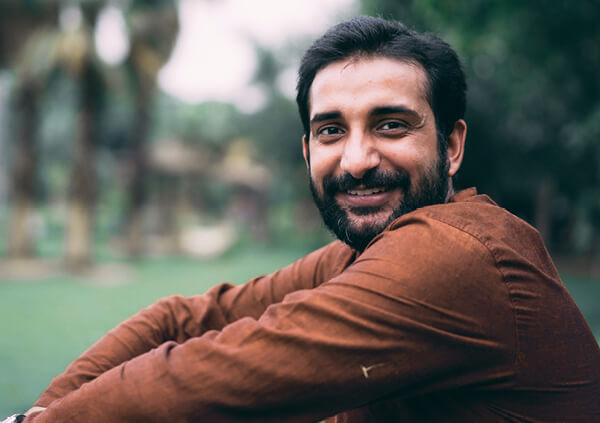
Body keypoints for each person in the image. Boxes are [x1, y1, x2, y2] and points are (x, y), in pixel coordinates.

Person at [8, 15, 599, 423]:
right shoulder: (361, 256)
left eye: (391, 125)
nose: (357, 160)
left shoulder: (457, 254)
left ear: (451, 146)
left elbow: (210, 382)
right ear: (306, 151)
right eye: (331, 131)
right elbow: (184, 319)